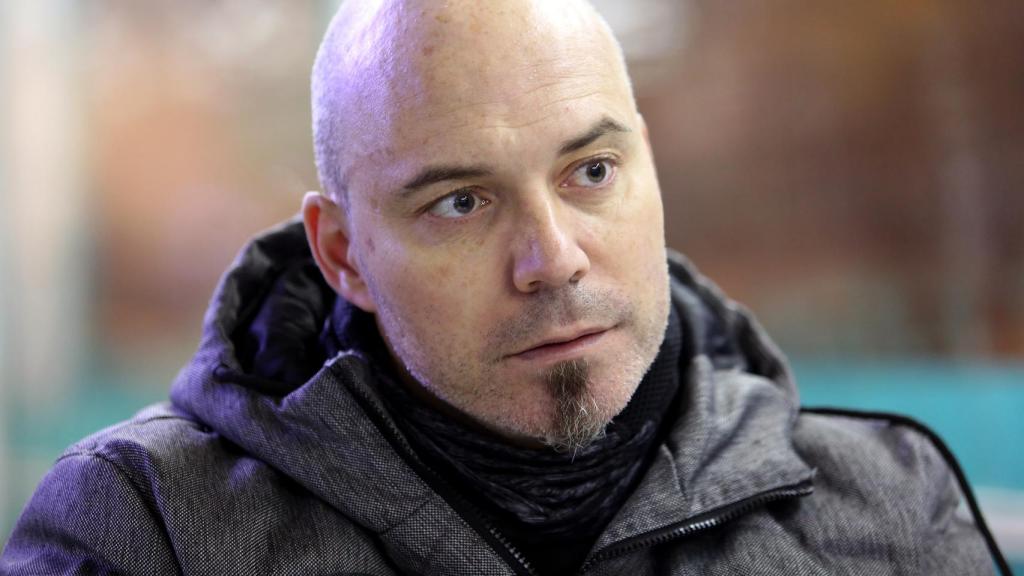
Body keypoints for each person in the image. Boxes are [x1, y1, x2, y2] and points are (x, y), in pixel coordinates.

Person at [0, 0, 1010, 574]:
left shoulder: (884, 503)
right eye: (461, 203)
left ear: (648, 166)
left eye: (591, 173)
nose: (552, 258)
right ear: (344, 256)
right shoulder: (149, 530)